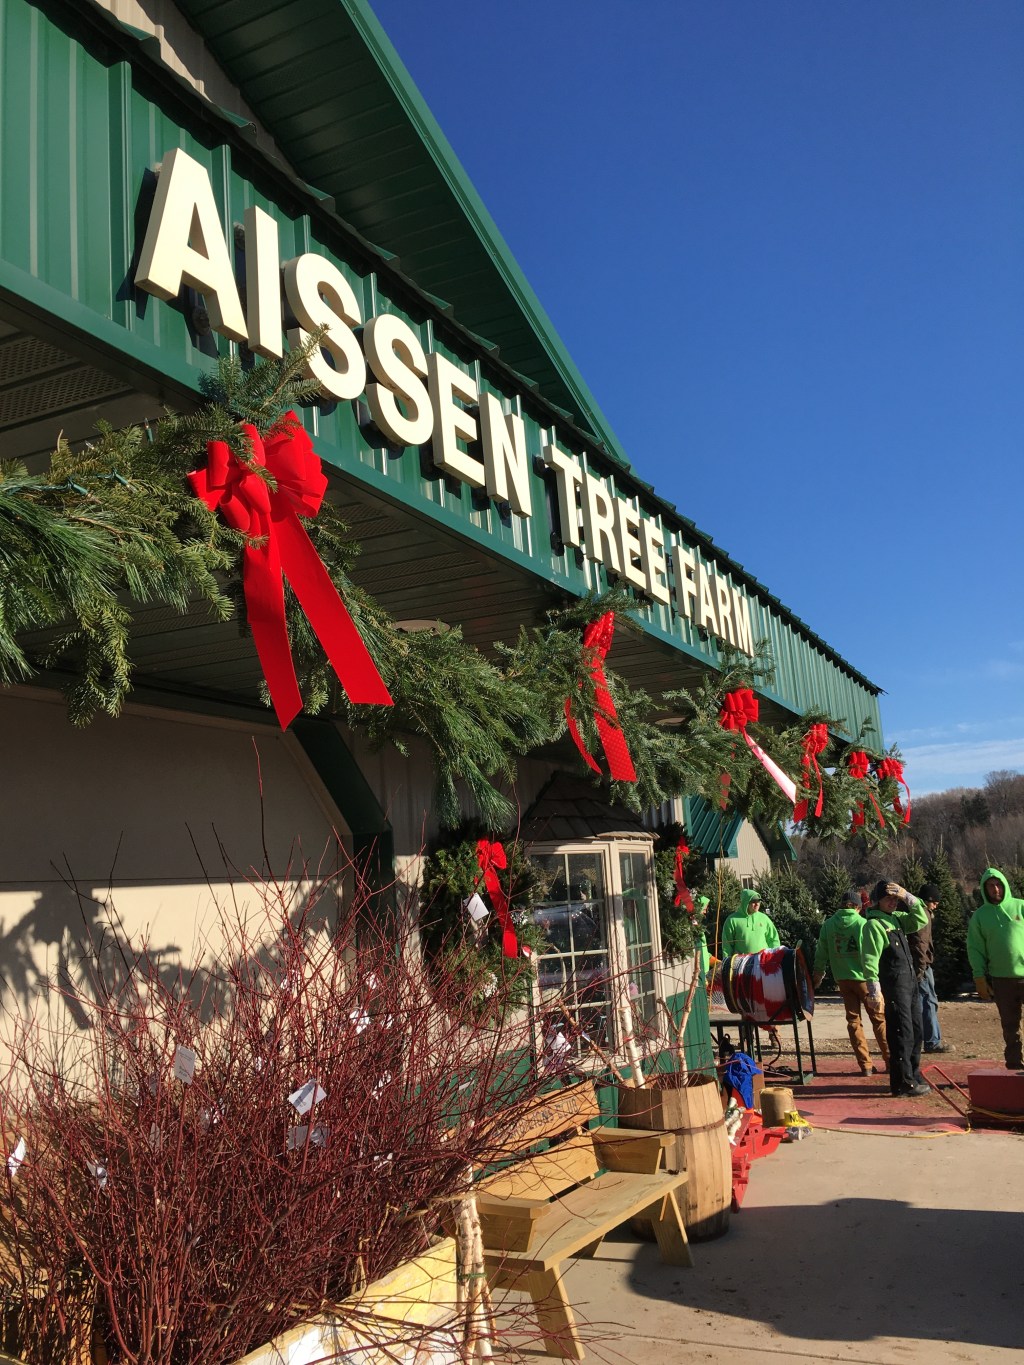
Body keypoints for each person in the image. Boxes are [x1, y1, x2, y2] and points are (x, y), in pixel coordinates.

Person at [862, 881, 929, 1098]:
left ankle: (914, 1073)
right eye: (888, 898)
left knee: (917, 1031)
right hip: (893, 984)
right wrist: (874, 991)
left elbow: (921, 919)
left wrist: (907, 895)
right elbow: (869, 959)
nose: (892, 902)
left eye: (895, 899)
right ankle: (903, 1083)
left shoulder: (897, 920)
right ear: (877, 900)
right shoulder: (874, 925)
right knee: (902, 1033)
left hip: (910, 983)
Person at [813, 890, 889, 1076]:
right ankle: (891, 1060)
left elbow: (821, 952)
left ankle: (865, 1065)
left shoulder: (828, 925)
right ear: (857, 907)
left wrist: (818, 974)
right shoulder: (864, 924)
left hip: (843, 979)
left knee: (853, 1021)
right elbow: (873, 952)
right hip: (865, 979)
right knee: (879, 1019)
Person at [966, 868, 1024, 1071]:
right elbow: (975, 948)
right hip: (1001, 979)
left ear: (1004, 885)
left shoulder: (1020, 907)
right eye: (990, 886)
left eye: (998, 884)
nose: (995, 889)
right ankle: (1015, 1065)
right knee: (1010, 1025)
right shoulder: (980, 917)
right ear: (984, 888)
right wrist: (979, 977)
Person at [909, 882, 946, 1053]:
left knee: (923, 1002)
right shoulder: (923, 914)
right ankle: (932, 1041)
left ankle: (921, 1040)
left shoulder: (919, 911)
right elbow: (920, 943)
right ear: (927, 900)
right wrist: (921, 968)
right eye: (934, 902)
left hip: (919, 964)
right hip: (922, 966)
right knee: (928, 1001)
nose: (936, 905)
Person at [720, 888, 781, 956]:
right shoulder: (732, 920)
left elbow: (773, 939)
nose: (757, 904)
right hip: (742, 963)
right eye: (754, 901)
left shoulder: (764, 918)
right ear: (746, 902)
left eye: (759, 901)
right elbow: (727, 944)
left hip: (762, 962)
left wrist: (775, 957)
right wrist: (727, 961)